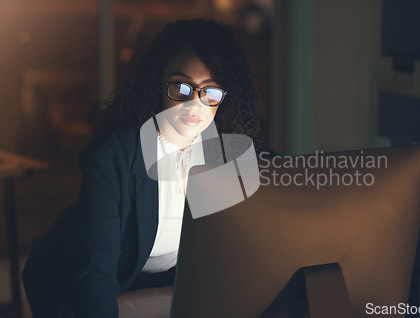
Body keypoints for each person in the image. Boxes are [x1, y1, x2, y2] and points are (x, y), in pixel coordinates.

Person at [22, 18, 263, 318]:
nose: (194, 104)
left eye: (210, 91)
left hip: (162, 280)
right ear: (157, 84)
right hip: (75, 282)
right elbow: (96, 278)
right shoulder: (112, 156)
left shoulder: (228, 153)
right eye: (181, 86)